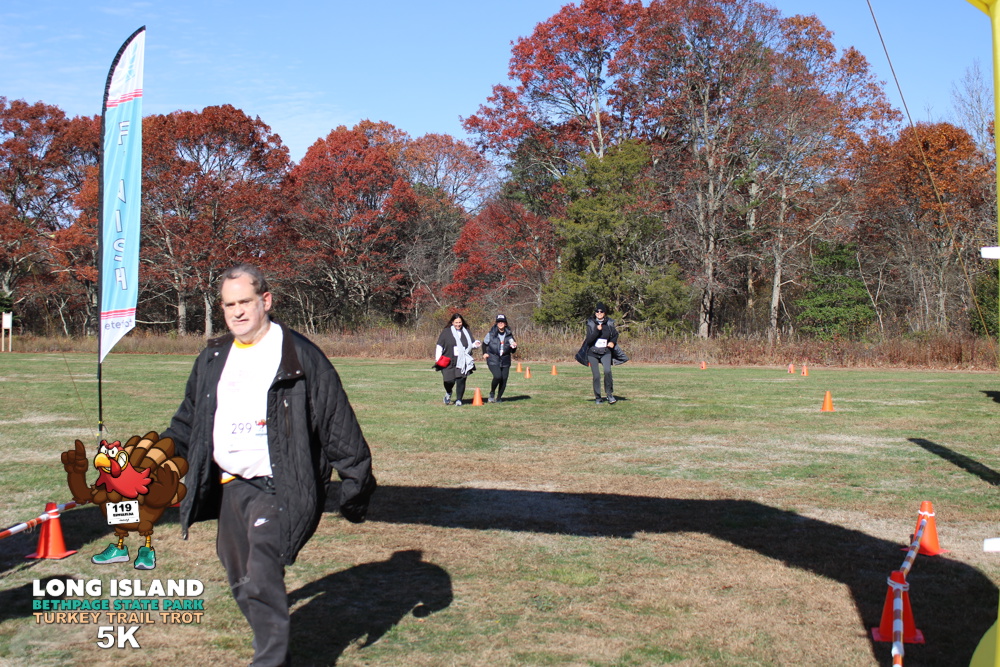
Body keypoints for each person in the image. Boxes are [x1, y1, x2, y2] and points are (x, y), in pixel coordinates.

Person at [162, 264, 376, 667]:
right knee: (241, 578)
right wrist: (157, 457)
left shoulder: (299, 355)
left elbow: (337, 423)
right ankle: (277, 650)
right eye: (229, 305)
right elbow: (189, 420)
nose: (237, 312)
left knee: (262, 571)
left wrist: (356, 487)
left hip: (281, 485)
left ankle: (270, 662)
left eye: (245, 302)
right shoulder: (213, 357)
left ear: (266, 301)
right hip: (231, 485)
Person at [434, 313, 480, 406]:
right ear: (452, 322)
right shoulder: (446, 332)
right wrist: (438, 359)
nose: (458, 324)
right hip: (448, 360)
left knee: (461, 379)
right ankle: (448, 392)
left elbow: (471, 343)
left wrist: (476, 344)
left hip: (462, 360)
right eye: (456, 322)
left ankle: (459, 400)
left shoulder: (466, 331)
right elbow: (439, 346)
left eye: (460, 322)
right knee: (449, 380)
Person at [582, 302, 620, 405]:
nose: (599, 313)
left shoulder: (609, 323)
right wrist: (597, 331)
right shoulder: (591, 323)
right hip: (592, 353)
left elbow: (615, 334)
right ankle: (598, 397)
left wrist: (612, 342)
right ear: (595, 313)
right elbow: (589, 340)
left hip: (605, 352)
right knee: (596, 375)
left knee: (607, 371)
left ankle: (609, 394)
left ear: (604, 313)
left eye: (601, 311)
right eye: (597, 311)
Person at [481, 314, 518, 403]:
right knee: (498, 376)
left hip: (505, 359)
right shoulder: (491, 334)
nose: (500, 323)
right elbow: (484, 344)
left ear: (505, 323)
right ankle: (492, 392)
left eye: (502, 322)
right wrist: (485, 353)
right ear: (496, 323)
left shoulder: (509, 335)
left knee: (504, 379)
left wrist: (514, 346)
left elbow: (513, 350)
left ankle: (499, 398)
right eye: (498, 322)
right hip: (493, 358)